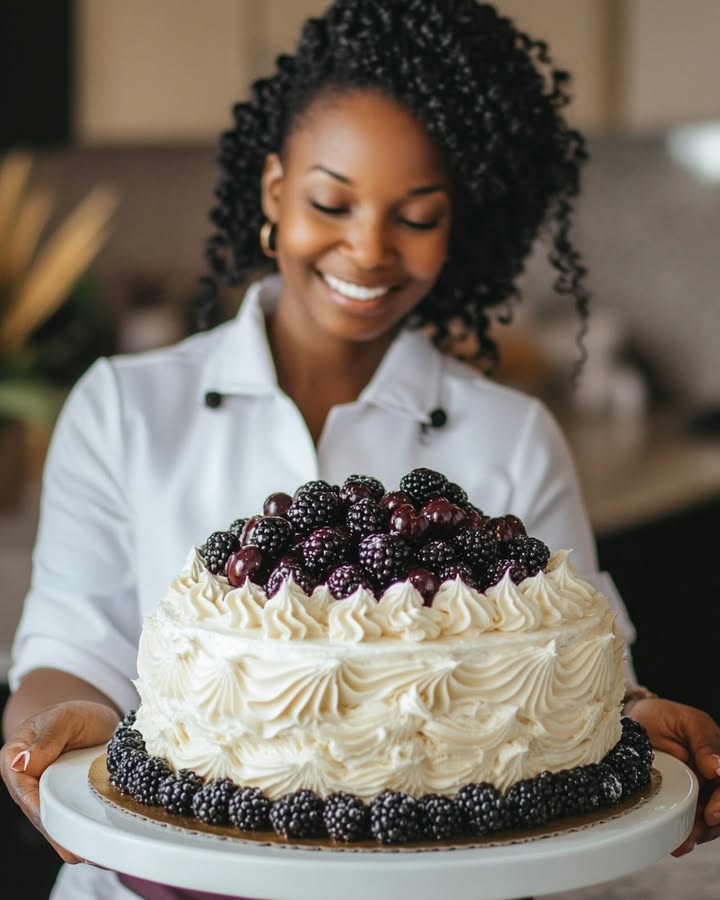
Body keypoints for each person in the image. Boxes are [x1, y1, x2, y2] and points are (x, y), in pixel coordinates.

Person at [2, 1, 720, 898]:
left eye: (416, 216)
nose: (369, 250)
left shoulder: (512, 433)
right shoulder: (122, 407)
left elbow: (572, 675)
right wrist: (53, 729)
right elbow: (68, 655)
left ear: (458, 223)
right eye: (330, 202)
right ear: (273, 192)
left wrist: (643, 722)